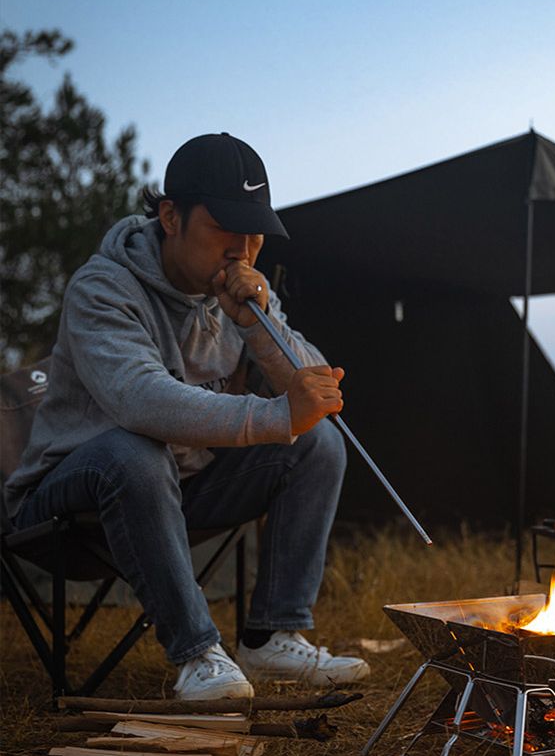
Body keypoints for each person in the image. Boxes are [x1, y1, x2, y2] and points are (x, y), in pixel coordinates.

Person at [4, 132, 369, 709]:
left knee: (316, 440)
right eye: (225, 228)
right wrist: (274, 413)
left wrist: (258, 323)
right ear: (171, 216)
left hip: (178, 490)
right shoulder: (102, 288)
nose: (242, 249)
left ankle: (270, 635)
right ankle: (197, 654)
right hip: (68, 510)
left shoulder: (236, 295)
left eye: (254, 233)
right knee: (133, 448)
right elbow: (142, 401)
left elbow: (317, 386)